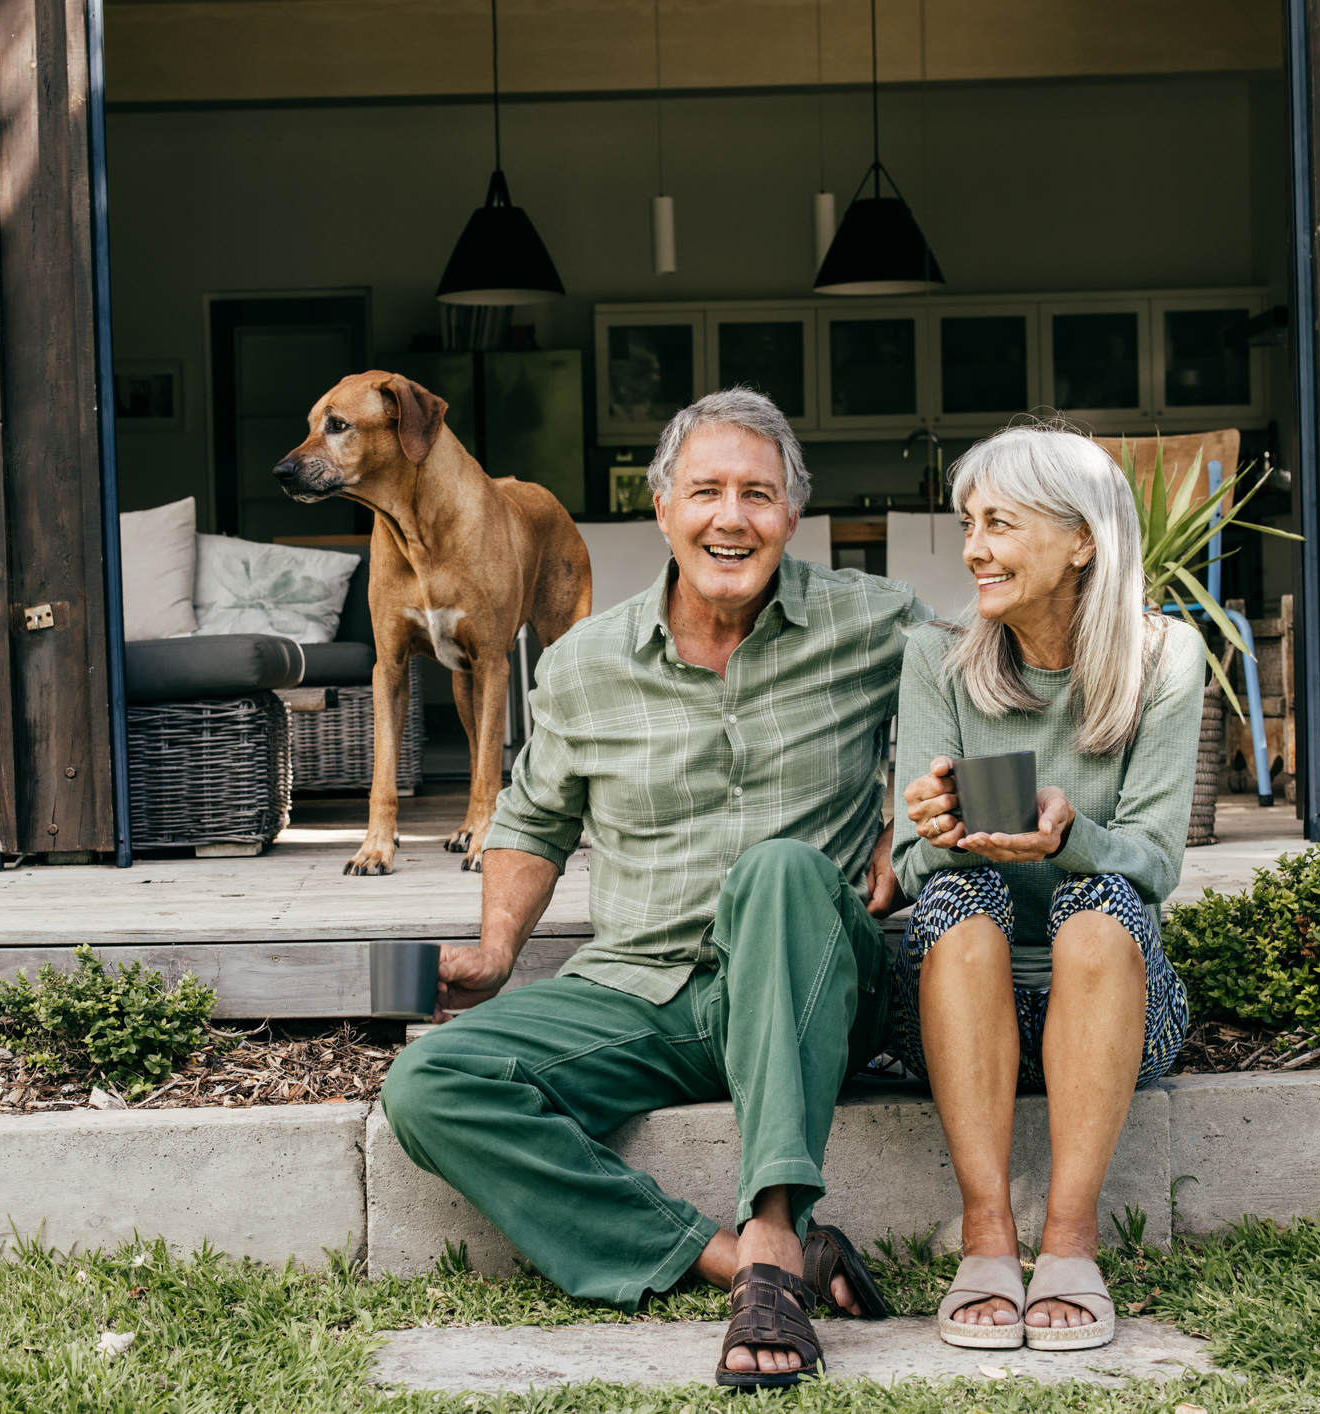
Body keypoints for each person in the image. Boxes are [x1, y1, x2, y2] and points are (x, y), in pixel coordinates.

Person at [379, 388, 933, 1389]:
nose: (732, 517)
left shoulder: (878, 622)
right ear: (663, 506)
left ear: (791, 518)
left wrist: (907, 830)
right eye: (707, 491)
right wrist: (498, 948)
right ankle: (736, 1260)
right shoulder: (584, 662)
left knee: (777, 869)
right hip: (641, 988)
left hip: (810, 979)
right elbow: (533, 818)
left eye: (758, 495)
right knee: (427, 1084)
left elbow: (974, 714)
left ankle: (773, 1227)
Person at [889, 423, 1203, 1353]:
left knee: (1101, 907)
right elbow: (909, 870)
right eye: (969, 523)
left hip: (1111, 1010)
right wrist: (944, 833)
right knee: (953, 901)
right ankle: (987, 1234)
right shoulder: (936, 659)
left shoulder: (1164, 659)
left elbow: (1156, 862)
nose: (975, 549)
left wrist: (1071, 836)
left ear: (1082, 541)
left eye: (1001, 524)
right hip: (955, 1019)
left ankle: (1070, 1239)